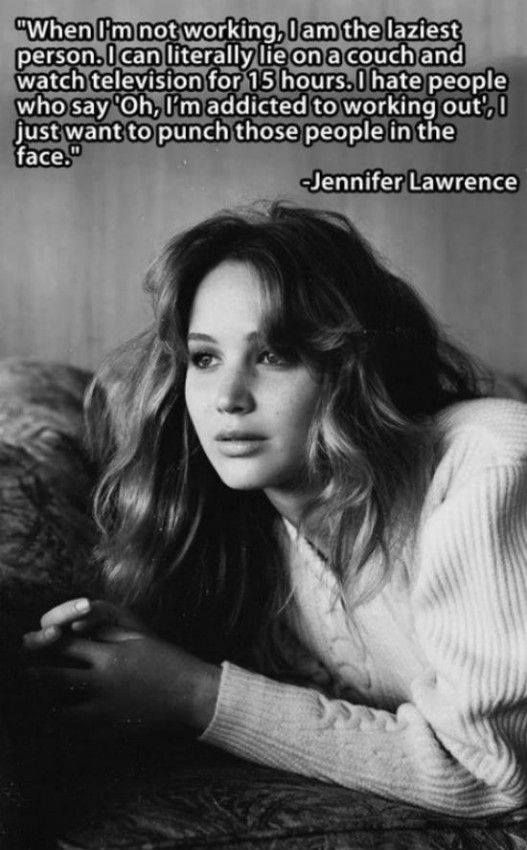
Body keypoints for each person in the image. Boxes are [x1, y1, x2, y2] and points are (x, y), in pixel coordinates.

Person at [23, 202, 527, 817]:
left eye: (274, 355)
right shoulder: (256, 525)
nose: (228, 398)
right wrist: (143, 655)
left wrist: (196, 693)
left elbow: (494, 772)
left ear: (352, 366)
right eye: (205, 358)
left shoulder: (489, 463)